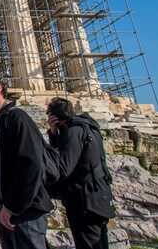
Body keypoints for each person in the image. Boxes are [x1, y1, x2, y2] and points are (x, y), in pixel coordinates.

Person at [0, 70, 53, 249]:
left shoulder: (18, 118)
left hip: (24, 213)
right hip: (5, 214)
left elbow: (32, 166)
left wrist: (11, 207)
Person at [46, 97, 115, 249]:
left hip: (84, 202)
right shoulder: (89, 128)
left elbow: (62, 167)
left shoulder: (73, 133)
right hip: (99, 197)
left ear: (53, 117)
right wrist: (54, 134)